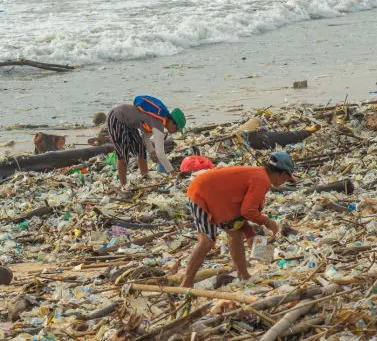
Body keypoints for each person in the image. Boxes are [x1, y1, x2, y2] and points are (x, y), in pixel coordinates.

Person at [181, 151, 297, 287]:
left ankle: (243, 274)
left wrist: (249, 233)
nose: (285, 182)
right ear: (282, 174)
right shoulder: (262, 180)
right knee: (207, 240)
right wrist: (267, 222)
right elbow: (248, 210)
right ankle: (186, 283)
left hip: (217, 198)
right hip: (201, 193)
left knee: (236, 235)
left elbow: (240, 211)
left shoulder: (259, 174)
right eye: (287, 179)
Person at [106, 98, 186, 187]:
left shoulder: (159, 119)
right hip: (117, 117)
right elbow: (161, 154)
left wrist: (151, 151)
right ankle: (123, 185)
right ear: (172, 123)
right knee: (123, 155)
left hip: (129, 123)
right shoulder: (158, 124)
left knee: (140, 149)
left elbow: (145, 136)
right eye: (177, 128)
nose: (176, 131)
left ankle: (145, 176)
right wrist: (172, 172)